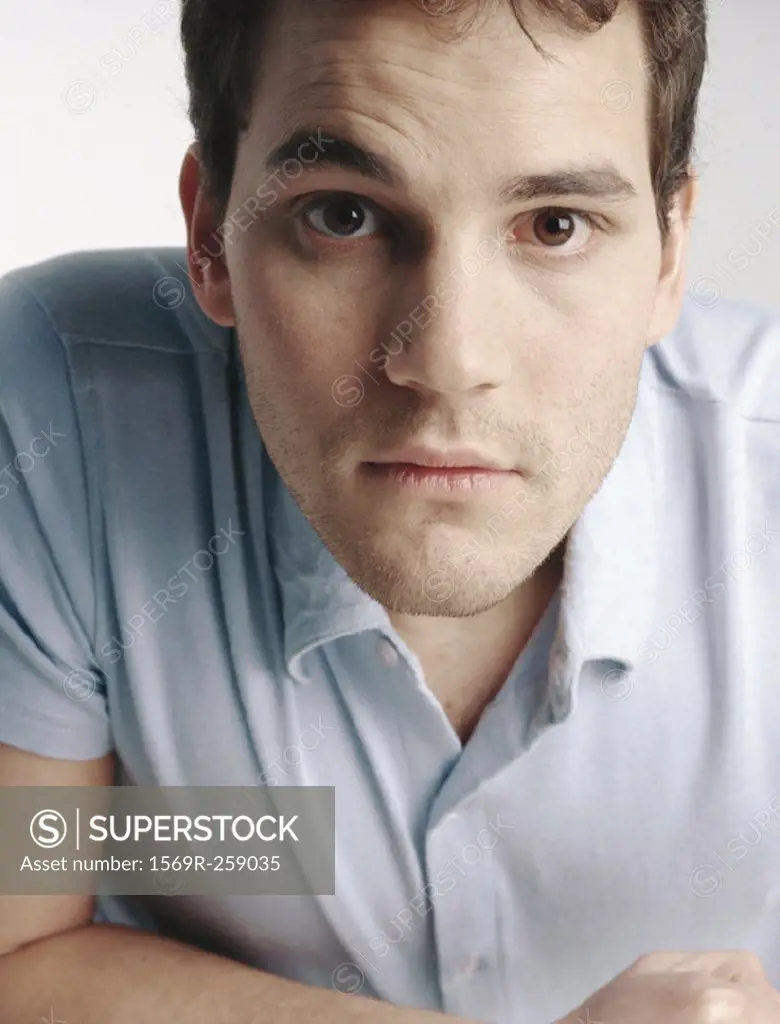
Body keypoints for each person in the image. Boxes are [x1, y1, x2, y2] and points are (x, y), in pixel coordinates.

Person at [1, 0, 779, 1021]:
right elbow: (22, 942)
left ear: (669, 255)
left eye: (555, 225)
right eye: (343, 214)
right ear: (210, 236)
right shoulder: (59, 406)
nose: (448, 360)